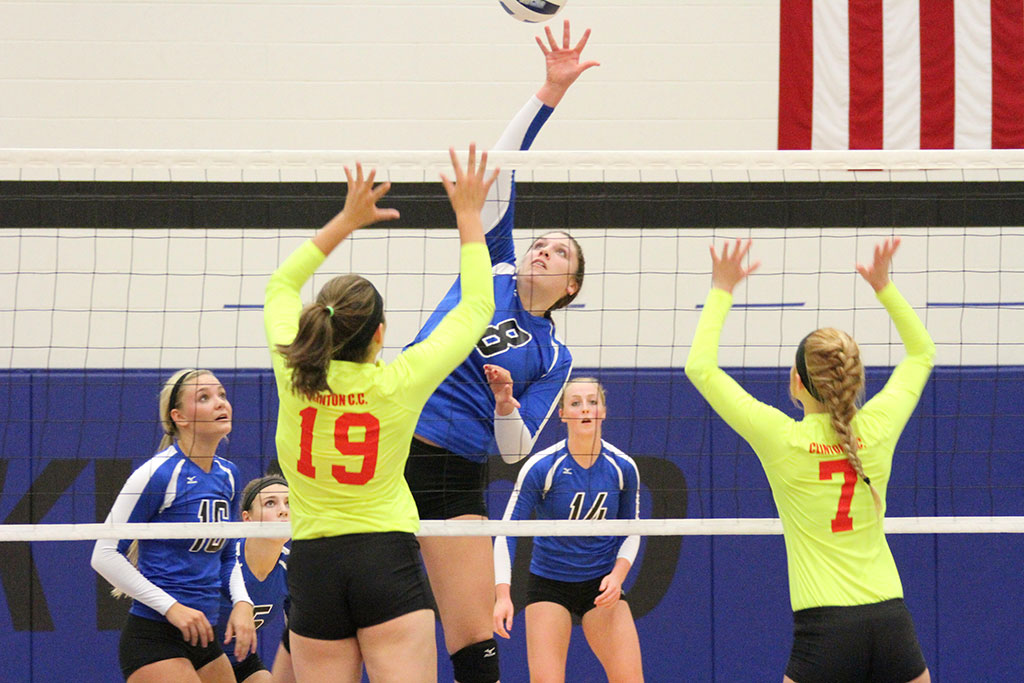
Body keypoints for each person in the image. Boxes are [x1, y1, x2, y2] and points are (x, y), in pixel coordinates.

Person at [403, 20, 598, 683]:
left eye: (559, 252)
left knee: (476, 643)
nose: (542, 249)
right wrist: (549, 93)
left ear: (569, 285)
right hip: (392, 442)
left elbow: (515, 451)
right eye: (540, 241)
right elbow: (502, 166)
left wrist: (509, 402)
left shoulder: (554, 356)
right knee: (357, 610)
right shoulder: (491, 267)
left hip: (457, 469)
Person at [264, 147, 498, 682]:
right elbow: (477, 308)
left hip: (314, 568)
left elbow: (279, 287)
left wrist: (345, 221)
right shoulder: (398, 382)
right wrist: (467, 216)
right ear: (379, 335)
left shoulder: (289, 370)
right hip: (383, 561)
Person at [684, 237, 933, 683]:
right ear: (855, 380)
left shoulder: (783, 440)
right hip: (892, 622)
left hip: (827, 630)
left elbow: (701, 368)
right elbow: (922, 354)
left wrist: (722, 288)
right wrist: (884, 287)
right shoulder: (877, 428)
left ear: (797, 381)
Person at [91, 369, 256, 682]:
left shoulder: (228, 475)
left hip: (204, 638)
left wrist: (243, 602)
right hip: (154, 637)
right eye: (204, 398)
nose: (220, 403)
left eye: (222, 394)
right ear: (179, 417)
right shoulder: (158, 474)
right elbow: (104, 554)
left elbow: (228, 556)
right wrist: (172, 607)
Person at [493, 377, 644, 683]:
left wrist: (617, 577)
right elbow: (506, 531)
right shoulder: (542, 467)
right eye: (575, 403)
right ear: (562, 414)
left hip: (601, 585)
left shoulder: (622, 467)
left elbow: (632, 530)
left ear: (603, 411)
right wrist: (502, 596)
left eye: (592, 402)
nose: (585, 409)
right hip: (549, 585)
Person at [212, 474, 292, 683]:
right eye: (270, 503)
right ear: (247, 519)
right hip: (197, 659)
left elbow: (299, 639)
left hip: (241, 661)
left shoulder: (292, 570)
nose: (283, 510)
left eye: (289, 503)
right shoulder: (225, 559)